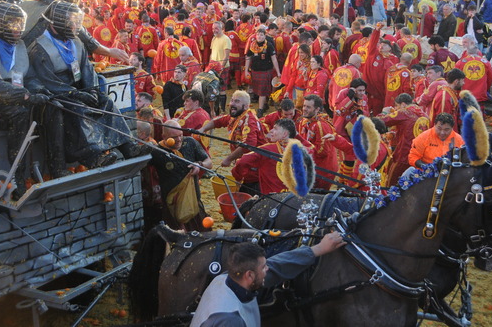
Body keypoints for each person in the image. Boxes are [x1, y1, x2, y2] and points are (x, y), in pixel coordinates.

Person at [0, 2, 68, 192]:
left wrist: (40, 90)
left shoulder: (20, 45)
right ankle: (17, 176)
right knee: (19, 113)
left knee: (54, 106)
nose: (18, 28)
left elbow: (29, 77)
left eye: (20, 23)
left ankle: (57, 168)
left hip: (19, 95)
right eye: (13, 23)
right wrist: (25, 96)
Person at [27, 0, 134, 168]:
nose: (76, 27)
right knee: (78, 109)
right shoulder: (40, 48)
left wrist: (92, 90)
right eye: (71, 22)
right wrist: (76, 94)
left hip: (80, 90)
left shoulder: (76, 41)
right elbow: (49, 82)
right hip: (59, 94)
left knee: (105, 101)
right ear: (57, 23)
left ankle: (128, 146)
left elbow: (87, 69)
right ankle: (93, 156)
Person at [190, 233, 346, 327]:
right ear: (249, 275)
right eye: (263, 267)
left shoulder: (227, 278)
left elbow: (277, 265)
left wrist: (319, 248)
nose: (268, 269)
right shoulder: (230, 320)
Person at [148, 120, 212, 232]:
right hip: (172, 204)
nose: (179, 139)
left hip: (194, 200)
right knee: (177, 236)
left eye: (180, 135)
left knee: (202, 234)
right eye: (174, 137)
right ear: (164, 136)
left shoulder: (190, 142)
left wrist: (199, 165)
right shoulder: (157, 152)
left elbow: (209, 163)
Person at [232, 119, 313, 195]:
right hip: (294, 199)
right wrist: (297, 136)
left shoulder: (267, 149)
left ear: (284, 134)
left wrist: (238, 177)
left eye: (275, 129)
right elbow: (312, 148)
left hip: (271, 199)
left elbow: (242, 161)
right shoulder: (305, 151)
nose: (271, 131)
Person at [198, 91, 266, 180]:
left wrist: (229, 159)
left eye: (237, 101)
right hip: (244, 162)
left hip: (255, 164)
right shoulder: (237, 115)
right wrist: (202, 129)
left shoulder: (249, 120)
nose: (232, 104)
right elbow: (218, 121)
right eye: (232, 100)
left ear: (246, 106)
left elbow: (248, 144)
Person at [298, 95, 352, 188]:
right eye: (304, 106)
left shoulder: (321, 125)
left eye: (308, 107)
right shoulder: (304, 122)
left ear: (317, 109)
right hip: (310, 168)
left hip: (322, 172)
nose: (304, 109)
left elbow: (322, 152)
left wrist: (303, 149)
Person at [378, 93, 430, 184]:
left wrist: (384, 112)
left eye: (396, 106)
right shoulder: (424, 115)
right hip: (420, 156)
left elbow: (381, 121)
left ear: (403, 104)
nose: (396, 108)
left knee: (392, 183)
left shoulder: (404, 112)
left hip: (404, 154)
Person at [245, 28, 280, 117]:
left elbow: (274, 59)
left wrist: (278, 72)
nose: (259, 36)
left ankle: (260, 110)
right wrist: (246, 70)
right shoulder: (252, 45)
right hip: (255, 71)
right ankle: (265, 105)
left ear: (265, 36)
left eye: (261, 35)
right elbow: (248, 58)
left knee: (262, 91)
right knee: (258, 91)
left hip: (265, 71)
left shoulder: (269, 45)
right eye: (258, 34)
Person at [455, 34, 492, 103]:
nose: (463, 44)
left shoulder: (461, 61)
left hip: (466, 93)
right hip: (479, 94)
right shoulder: (485, 62)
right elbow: (490, 77)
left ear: (472, 43)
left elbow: (455, 76)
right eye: (463, 42)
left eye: (465, 42)